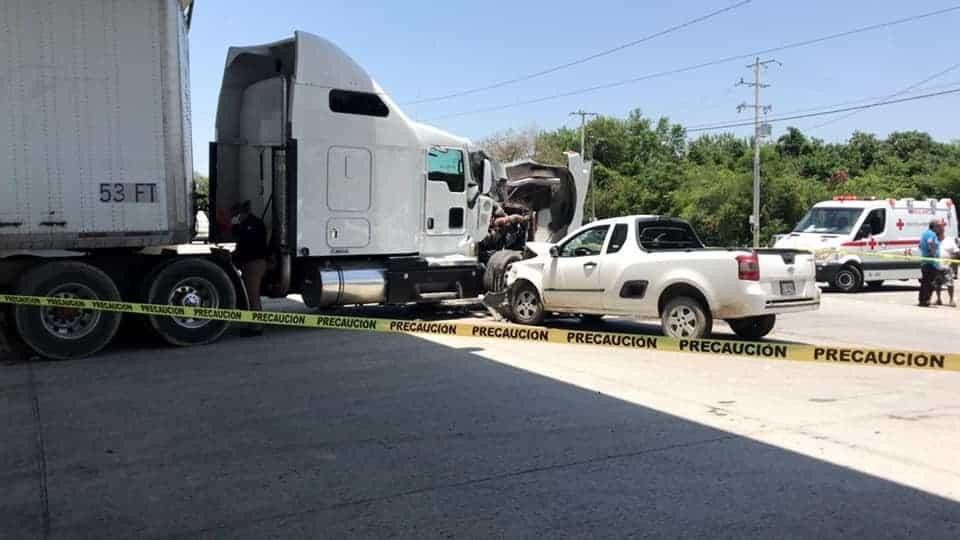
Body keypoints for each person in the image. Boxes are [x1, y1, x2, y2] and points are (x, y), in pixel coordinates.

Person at [231, 200, 269, 334]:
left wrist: (235, 226)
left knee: (253, 296)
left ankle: (256, 327)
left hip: (254, 263)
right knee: (252, 296)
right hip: (255, 262)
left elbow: (245, 244)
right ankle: (255, 325)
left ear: (241, 213)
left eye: (236, 214)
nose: (235, 217)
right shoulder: (253, 223)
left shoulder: (251, 225)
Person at [918, 220, 942, 307]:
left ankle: (923, 300)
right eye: (938, 226)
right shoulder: (932, 234)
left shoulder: (925, 233)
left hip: (925, 262)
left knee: (925, 282)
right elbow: (930, 242)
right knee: (929, 283)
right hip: (930, 263)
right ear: (934, 227)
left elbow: (919, 245)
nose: (940, 228)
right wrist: (932, 253)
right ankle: (926, 301)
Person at [936, 231, 959, 307]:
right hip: (936, 266)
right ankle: (938, 299)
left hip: (947, 267)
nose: (937, 235)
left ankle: (951, 300)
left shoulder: (949, 241)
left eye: (939, 233)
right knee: (937, 284)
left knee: (950, 284)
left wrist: (950, 260)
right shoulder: (934, 241)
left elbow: (957, 253)